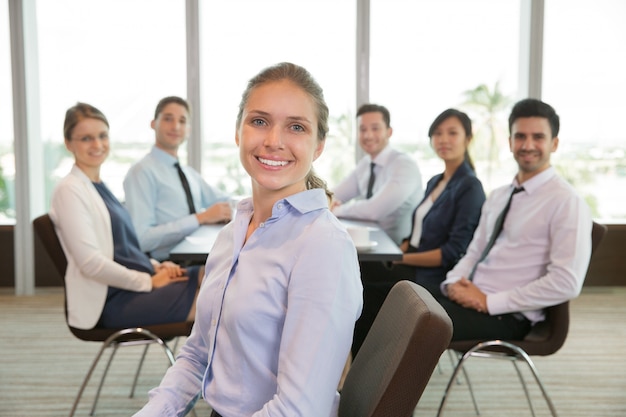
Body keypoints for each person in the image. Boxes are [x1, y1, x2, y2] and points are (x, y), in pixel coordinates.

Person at [133, 62, 363, 417]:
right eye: (259, 121)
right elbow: (197, 356)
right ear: (238, 132)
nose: (273, 140)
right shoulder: (232, 235)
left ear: (318, 146)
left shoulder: (323, 246)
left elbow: (298, 409)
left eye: (296, 127)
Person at [437, 98, 592, 341]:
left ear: (554, 143)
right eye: (520, 136)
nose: (528, 145)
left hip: (507, 316)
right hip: (470, 300)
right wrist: (454, 283)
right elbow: (475, 251)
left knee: (404, 321)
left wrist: (489, 301)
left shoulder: (567, 202)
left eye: (538, 137)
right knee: (384, 303)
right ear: (510, 142)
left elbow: (566, 282)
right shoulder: (499, 196)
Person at [50, 103, 201, 331]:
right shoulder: (69, 190)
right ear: (68, 143)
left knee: (218, 272)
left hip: (137, 282)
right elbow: (91, 263)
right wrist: (148, 281)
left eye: (102, 136)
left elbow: (122, 249)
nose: (98, 145)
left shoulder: (99, 186)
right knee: (220, 302)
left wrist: (156, 266)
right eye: (86, 138)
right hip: (114, 299)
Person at [352, 108, 486, 355]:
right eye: (437, 133)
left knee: (366, 293)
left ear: (468, 139)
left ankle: (364, 370)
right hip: (412, 262)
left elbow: (452, 253)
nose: (443, 139)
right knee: (355, 270)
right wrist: (402, 249)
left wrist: (400, 258)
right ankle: (349, 362)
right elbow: (418, 231)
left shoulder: (470, 187)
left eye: (452, 133)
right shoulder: (436, 180)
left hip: (433, 276)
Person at [123, 96, 231, 261]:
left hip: (198, 256)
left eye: (182, 121)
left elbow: (224, 200)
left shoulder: (188, 173)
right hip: (169, 266)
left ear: (188, 129)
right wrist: (200, 218)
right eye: (168, 119)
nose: (175, 126)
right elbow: (142, 239)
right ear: (153, 123)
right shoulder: (141, 172)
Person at [331, 104, 423, 244]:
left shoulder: (404, 165)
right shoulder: (365, 164)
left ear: (389, 132)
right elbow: (334, 195)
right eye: (363, 129)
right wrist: (327, 202)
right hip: (366, 245)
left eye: (375, 128)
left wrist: (337, 210)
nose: (368, 135)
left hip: (394, 254)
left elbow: (374, 210)